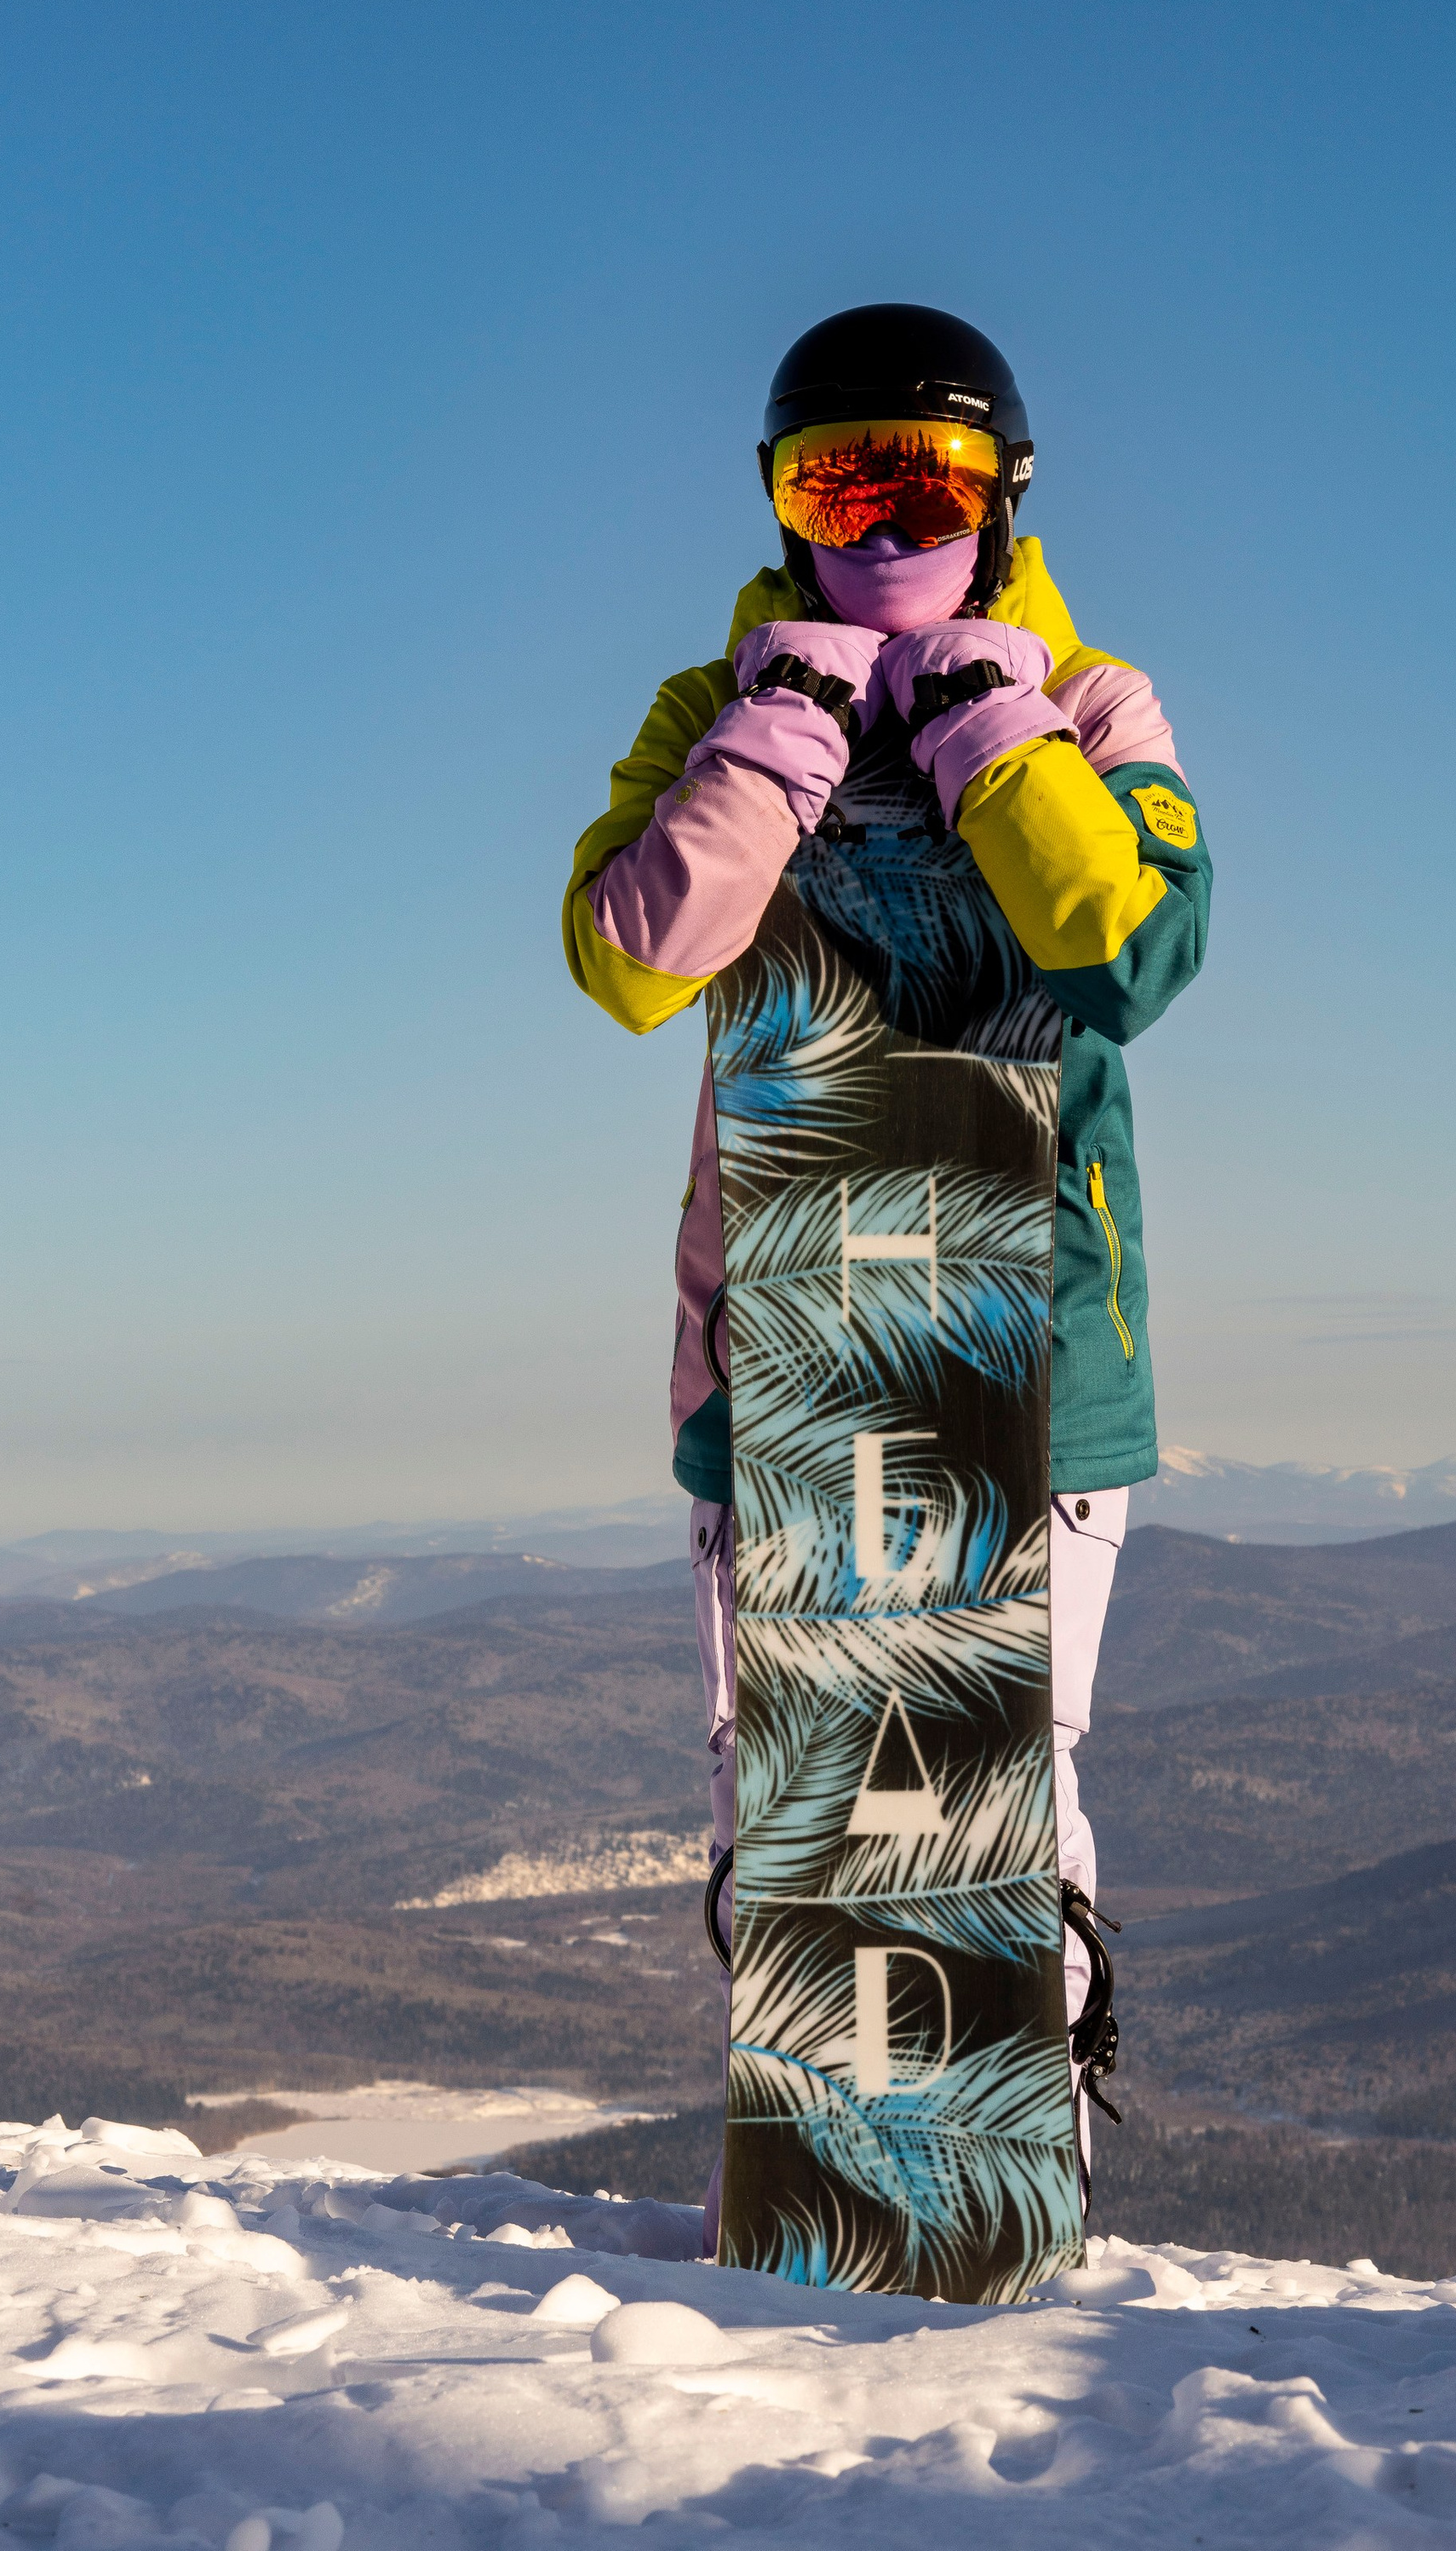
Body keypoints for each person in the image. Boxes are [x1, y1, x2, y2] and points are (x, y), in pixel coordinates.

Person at [561, 303, 1211, 2236]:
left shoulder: (1093, 706)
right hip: (778, 1334)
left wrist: (988, 724)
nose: (876, 518)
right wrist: (780, 727)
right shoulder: (712, 707)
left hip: (1034, 1342)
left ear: (1003, 498)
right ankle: (825, 2167)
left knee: (1001, 1782)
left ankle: (1028, 2169)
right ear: (775, 504)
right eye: (829, 480)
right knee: (787, 1793)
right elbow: (629, 955)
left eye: (919, 479)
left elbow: (1134, 959)